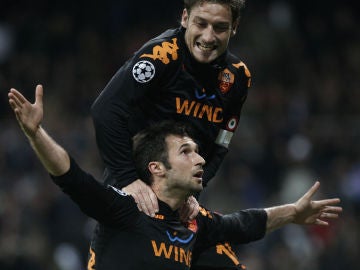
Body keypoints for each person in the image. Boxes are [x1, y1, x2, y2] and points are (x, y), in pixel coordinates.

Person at [8, 85, 342, 270]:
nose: (199, 159)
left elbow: (245, 223)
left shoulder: (194, 224)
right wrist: (36, 133)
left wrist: (293, 214)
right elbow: (72, 177)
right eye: (185, 151)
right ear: (157, 167)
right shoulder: (126, 209)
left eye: (197, 151)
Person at [91, 0, 251, 217]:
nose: (208, 37)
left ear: (235, 27)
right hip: (134, 193)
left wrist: (195, 190)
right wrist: (128, 179)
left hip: (182, 204)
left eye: (220, 27)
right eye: (201, 24)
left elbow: (221, 144)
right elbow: (105, 111)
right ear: (185, 18)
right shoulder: (161, 55)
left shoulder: (238, 77)